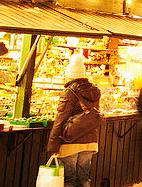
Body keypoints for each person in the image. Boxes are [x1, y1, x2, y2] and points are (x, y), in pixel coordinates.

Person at [47, 53, 101, 187]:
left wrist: (53, 145)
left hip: (70, 141)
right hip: (90, 141)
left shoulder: (69, 91)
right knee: (83, 179)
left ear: (70, 75)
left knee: (68, 180)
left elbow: (61, 118)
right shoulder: (94, 91)